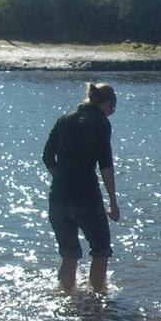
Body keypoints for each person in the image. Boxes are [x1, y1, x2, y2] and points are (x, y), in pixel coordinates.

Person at [42, 82, 120, 293]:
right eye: (113, 108)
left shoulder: (64, 119)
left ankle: (67, 299)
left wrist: (63, 179)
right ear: (106, 104)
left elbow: (47, 156)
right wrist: (113, 201)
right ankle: (98, 302)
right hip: (86, 198)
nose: (112, 113)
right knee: (101, 249)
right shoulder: (101, 123)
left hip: (58, 198)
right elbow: (106, 165)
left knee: (69, 253)